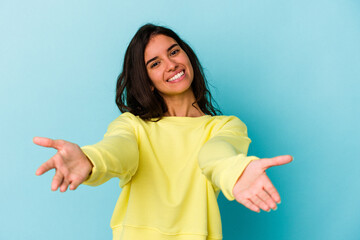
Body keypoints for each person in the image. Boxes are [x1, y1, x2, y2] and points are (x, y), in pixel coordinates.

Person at [33, 24, 293, 240]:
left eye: (174, 52)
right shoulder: (133, 126)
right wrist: (90, 160)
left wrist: (236, 171)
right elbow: (118, 149)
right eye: (155, 63)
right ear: (146, 80)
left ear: (187, 56)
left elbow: (216, 156)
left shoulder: (224, 127)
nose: (171, 64)